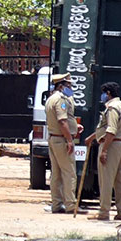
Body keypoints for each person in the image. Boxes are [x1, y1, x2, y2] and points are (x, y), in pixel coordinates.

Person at [86, 81, 121, 221]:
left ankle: (104, 212)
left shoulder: (111, 108)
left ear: (108, 93)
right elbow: (106, 128)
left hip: (111, 145)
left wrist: (104, 150)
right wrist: (93, 137)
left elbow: (111, 130)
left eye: (104, 93)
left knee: (106, 180)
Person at [44, 72, 81, 213]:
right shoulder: (60, 99)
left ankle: (57, 204)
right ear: (61, 86)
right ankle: (71, 205)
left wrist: (75, 127)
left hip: (54, 138)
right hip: (62, 139)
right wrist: (69, 140)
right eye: (68, 85)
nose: (70, 87)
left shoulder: (51, 98)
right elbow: (62, 120)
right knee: (69, 172)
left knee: (56, 174)